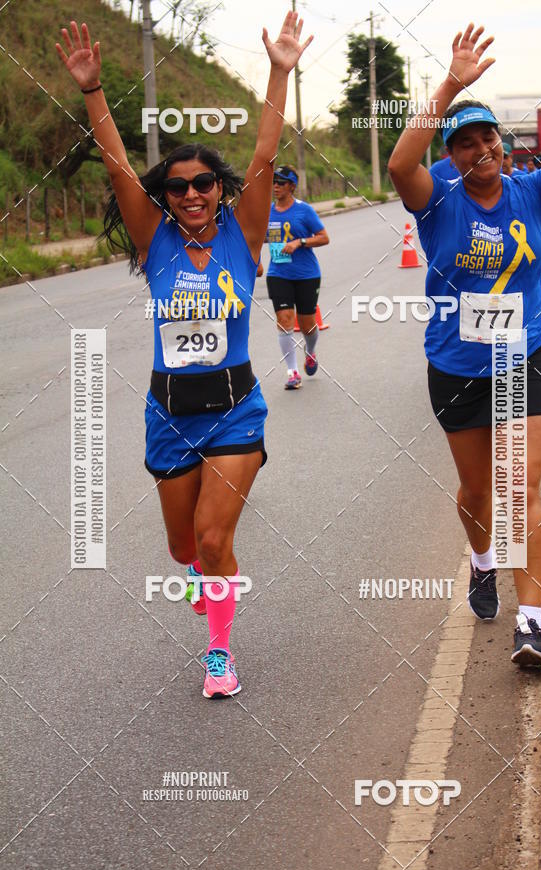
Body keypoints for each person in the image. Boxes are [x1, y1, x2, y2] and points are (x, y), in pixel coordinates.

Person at [56, 13, 313, 697]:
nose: (193, 194)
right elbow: (118, 165)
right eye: (178, 187)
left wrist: (279, 73)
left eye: (204, 183)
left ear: (219, 190)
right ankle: (201, 572)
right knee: (183, 549)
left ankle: (219, 656)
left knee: (212, 539)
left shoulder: (244, 235)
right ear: (165, 198)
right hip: (169, 415)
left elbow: (264, 153)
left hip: (234, 411)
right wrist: (94, 91)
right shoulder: (156, 242)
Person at [387, 10, 541, 667]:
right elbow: (398, 162)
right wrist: (451, 83)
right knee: (478, 494)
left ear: (504, 145)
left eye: (489, 139)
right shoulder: (436, 200)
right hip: (456, 366)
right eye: (465, 143)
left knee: (519, 485)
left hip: (524, 355)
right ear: (451, 155)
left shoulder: (533, 191)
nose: (481, 150)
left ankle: (530, 623)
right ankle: (482, 561)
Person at [265, 165, 329, 389]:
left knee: (307, 325)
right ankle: (292, 372)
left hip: (306, 275)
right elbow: (261, 238)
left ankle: (310, 352)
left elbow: (324, 237)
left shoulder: (304, 211)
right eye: (273, 182)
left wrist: (299, 242)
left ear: (292, 186)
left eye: (281, 183)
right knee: (284, 320)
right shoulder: (267, 212)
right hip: (278, 273)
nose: (275, 186)